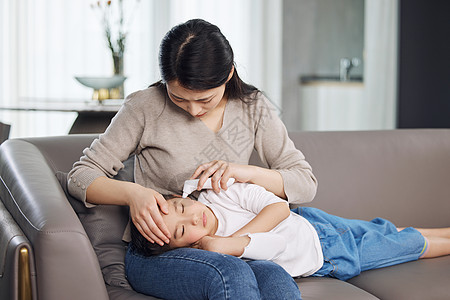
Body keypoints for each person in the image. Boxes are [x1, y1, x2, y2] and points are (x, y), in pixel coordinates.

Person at [68, 19, 317, 299]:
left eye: (205, 100)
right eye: (179, 98)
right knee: (229, 273)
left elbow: (304, 182)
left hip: (225, 244)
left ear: (228, 74)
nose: (193, 110)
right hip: (159, 251)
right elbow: (80, 176)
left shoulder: (252, 107)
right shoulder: (145, 107)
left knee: (275, 278)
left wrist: (245, 172)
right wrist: (133, 194)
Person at [130, 182, 450, 283]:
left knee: (382, 228)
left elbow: (277, 204)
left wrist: (231, 239)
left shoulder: (220, 194)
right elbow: (276, 243)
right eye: (183, 230)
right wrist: (226, 246)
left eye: (183, 209)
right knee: (404, 244)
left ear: (181, 197)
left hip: (312, 220)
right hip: (328, 256)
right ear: (181, 249)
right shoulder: (214, 252)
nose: (193, 219)